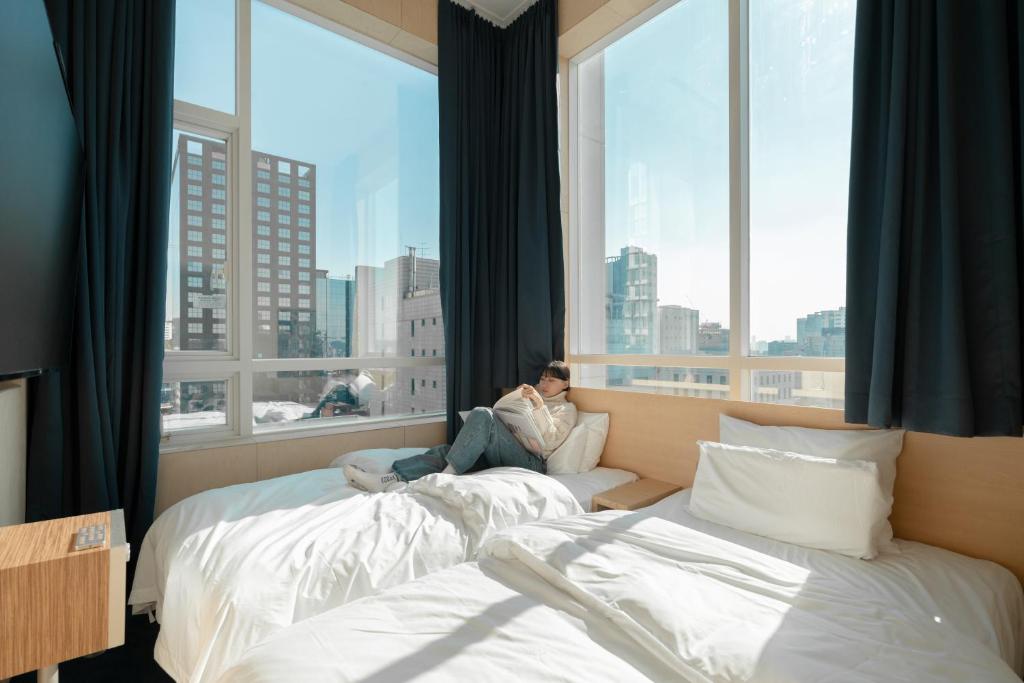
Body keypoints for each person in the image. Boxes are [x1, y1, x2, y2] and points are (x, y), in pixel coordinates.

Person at [344, 361, 577, 493]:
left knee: (482, 415)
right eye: (543, 378)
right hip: (504, 452)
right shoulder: (531, 396)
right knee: (446, 452)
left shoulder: (567, 410)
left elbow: (551, 441)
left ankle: (445, 480)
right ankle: (388, 478)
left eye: (552, 380)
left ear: (565, 384)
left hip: (532, 464)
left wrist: (539, 407)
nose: (544, 384)